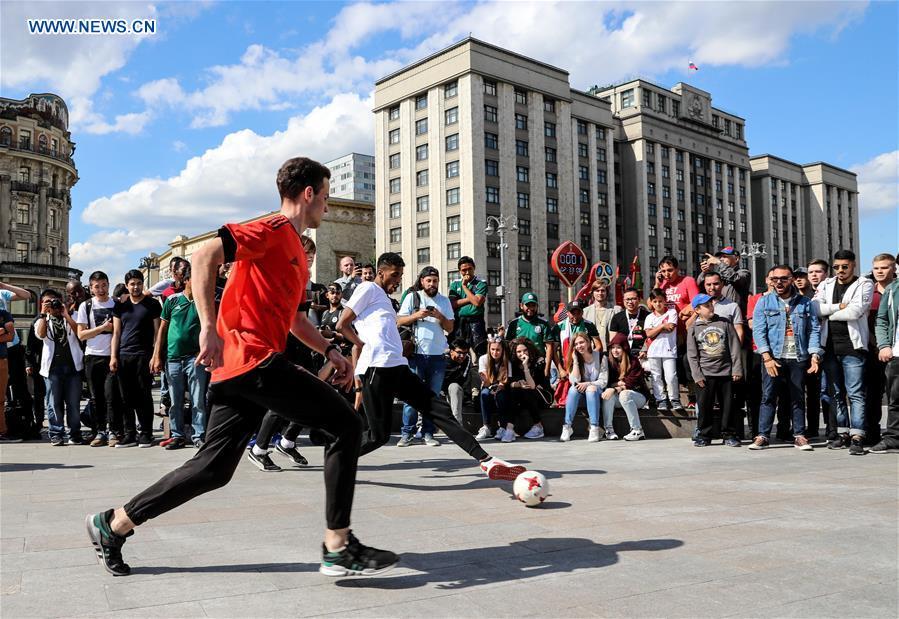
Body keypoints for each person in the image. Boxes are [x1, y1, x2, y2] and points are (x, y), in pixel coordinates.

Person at [86, 157, 399, 578]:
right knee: (345, 424)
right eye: (324, 197)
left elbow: (293, 319)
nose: (326, 206)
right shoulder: (272, 229)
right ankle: (338, 544)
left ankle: (114, 523)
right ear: (308, 194)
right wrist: (209, 328)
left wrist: (330, 350)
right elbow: (202, 257)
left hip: (243, 367)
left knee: (212, 469)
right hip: (251, 360)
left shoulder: (294, 252)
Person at [336, 252, 525, 482]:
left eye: (401, 276)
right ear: (380, 272)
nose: (398, 280)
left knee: (439, 409)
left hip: (397, 366)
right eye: (395, 275)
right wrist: (362, 345)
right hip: (375, 368)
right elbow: (342, 323)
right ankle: (338, 457)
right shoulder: (367, 289)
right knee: (379, 436)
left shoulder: (385, 298)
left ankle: (485, 459)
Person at [750, 265, 821, 452]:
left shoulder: (806, 303)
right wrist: (766, 357)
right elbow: (758, 331)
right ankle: (763, 435)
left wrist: (814, 355)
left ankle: (799, 435)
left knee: (797, 397)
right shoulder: (764, 302)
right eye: (775, 279)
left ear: (791, 280)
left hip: (798, 357)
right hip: (773, 357)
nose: (778, 283)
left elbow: (813, 329)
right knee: (768, 397)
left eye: (783, 279)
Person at [814, 249, 873, 455]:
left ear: (853, 265)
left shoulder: (864, 283)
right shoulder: (825, 284)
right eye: (837, 267)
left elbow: (856, 311)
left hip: (852, 346)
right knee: (836, 393)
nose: (840, 270)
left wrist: (828, 311)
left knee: (855, 393)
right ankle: (843, 432)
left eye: (844, 266)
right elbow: (815, 309)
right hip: (829, 347)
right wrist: (839, 307)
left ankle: (858, 435)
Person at [396, 266, 455, 447]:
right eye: (428, 280)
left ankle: (428, 433)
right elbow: (398, 320)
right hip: (416, 354)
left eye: (435, 281)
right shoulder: (413, 297)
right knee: (411, 396)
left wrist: (439, 316)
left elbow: (450, 328)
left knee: (433, 397)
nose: (432, 284)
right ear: (422, 281)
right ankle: (407, 433)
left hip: (437, 356)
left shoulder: (444, 301)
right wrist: (417, 315)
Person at [151, 266, 208, 450]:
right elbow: (162, 329)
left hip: (195, 357)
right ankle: (177, 435)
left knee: (198, 399)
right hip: (173, 358)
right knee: (175, 400)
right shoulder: (172, 301)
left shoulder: (203, 302)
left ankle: (199, 435)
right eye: (195, 278)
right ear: (186, 280)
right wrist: (157, 355)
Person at [110, 270, 161, 448]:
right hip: (124, 355)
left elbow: (157, 333)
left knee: (144, 395)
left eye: (138, 283)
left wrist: (156, 356)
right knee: (125, 397)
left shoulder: (152, 304)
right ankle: (129, 433)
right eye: (132, 283)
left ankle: (146, 433)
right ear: (127, 286)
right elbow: (116, 333)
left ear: (142, 284)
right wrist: (113, 356)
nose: (136, 287)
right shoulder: (120, 306)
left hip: (144, 355)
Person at [687, 294, 743, 447]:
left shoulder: (724, 323)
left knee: (728, 406)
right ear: (697, 310)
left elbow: (735, 348)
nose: (711, 307)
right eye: (706, 306)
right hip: (705, 374)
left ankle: (729, 434)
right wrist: (697, 375)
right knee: (705, 406)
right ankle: (704, 434)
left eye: (711, 304)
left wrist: (736, 369)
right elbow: (692, 354)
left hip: (725, 372)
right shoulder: (694, 328)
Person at [76, 271, 120, 447]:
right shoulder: (85, 306)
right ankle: (99, 431)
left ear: (108, 285)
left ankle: (113, 431)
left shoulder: (116, 304)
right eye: (96, 286)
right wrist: (102, 328)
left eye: (103, 285)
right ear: (91, 288)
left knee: (112, 396)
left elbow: (120, 330)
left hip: (112, 356)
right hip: (92, 356)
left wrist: (110, 330)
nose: (101, 290)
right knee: (96, 398)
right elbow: (81, 334)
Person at [36, 290, 84, 446]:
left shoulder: (73, 316)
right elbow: (41, 334)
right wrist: (44, 314)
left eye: (55, 301)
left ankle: (75, 433)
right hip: (52, 369)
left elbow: (79, 333)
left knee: (73, 403)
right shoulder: (42, 320)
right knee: (53, 403)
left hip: (72, 367)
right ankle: (56, 433)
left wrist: (66, 314)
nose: (53, 305)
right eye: (48, 302)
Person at [865, 253, 897, 444]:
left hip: (895, 350)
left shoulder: (896, 290)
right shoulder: (868, 292)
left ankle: (894, 433)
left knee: (894, 395)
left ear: (893, 268)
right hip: (871, 350)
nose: (879, 271)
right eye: (876, 268)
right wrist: (876, 344)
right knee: (872, 394)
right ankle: (872, 433)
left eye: (884, 267)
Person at [870, 270, 899, 453]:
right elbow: (881, 319)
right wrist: (884, 345)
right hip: (896, 352)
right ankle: (893, 439)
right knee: (895, 399)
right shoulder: (892, 289)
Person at [562, 332, 608, 442]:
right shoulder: (574, 358)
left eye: (581, 342)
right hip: (581, 395)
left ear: (588, 342)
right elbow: (574, 381)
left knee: (591, 389)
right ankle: (567, 426)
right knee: (573, 389)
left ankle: (594, 427)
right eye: (576, 344)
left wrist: (588, 384)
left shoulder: (601, 356)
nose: (579, 346)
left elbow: (603, 381)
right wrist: (576, 361)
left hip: (597, 393)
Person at [0, 281, 34, 432]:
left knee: (19, 386)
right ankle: (5, 425)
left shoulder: (2, 293)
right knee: (3, 391)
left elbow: (26, 295)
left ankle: (25, 424)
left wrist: (3, 285)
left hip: (12, 346)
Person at [601, 333, 647, 441]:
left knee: (624, 394)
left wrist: (616, 387)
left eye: (618, 348)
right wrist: (617, 384)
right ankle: (609, 430)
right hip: (620, 398)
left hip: (638, 397)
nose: (615, 351)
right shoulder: (609, 361)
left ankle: (637, 430)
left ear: (624, 348)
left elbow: (631, 383)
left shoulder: (633, 361)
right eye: (613, 348)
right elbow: (608, 382)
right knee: (609, 395)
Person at [506, 337, 551, 441]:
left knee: (526, 389)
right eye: (519, 351)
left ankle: (538, 426)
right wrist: (517, 384)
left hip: (541, 396)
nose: (523, 354)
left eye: (525, 350)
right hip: (520, 397)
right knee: (516, 391)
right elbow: (509, 383)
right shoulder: (513, 364)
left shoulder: (539, 361)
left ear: (529, 349)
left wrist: (526, 367)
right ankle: (509, 428)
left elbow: (532, 385)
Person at [642, 288, 680, 411]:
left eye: (660, 301)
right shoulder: (649, 317)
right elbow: (648, 334)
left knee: (671, 376)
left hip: (669, 350)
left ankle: (674, 399)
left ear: (665, 301)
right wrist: (663, 325)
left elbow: (671, 328)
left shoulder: (672, 313)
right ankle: (661, 399)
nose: (658, 304)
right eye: (655, 301)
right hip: (653, 350)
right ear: (651, 303)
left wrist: (656, 329)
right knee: (656, 376)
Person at [505, 292, 558, 379]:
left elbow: (549, 347)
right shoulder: (514, 324)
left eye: (533, 305)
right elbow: (508, 346)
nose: (530, 308)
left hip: (538, 364)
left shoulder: (543, 323)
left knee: (542, 391)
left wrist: (547, 369)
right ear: (521, 306)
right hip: (519, 365)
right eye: (527, 305)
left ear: (537, 306)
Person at [448, 256, 488, 358]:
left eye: (469, 269)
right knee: (457, 350)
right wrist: (471, 298)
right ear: (459, 271)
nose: (467, 272)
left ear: (474, 268)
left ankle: (480, 372)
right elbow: (452, 304)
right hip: (459, 321)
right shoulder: (455, 284)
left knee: (480, 349)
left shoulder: (481, 283)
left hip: (476, 321)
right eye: (464, 270)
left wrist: (465, 287)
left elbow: (477, 302)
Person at [476, 337, 512, 440]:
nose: (495, 352)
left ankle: (502, 427)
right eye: (492, 349)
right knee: (484, 394)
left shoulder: (507, 362)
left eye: (498, 350)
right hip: (488, 384)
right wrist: (486, 380)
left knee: (501, 396)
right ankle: (486, 426)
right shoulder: (483, 359)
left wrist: (498, 388)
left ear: (502, 350)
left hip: (502, 386)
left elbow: (504, 382)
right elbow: (486, 381)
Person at [698, 246, 751, 310]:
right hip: (718, 311)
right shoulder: (719, 274)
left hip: (735, 314)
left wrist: (719, 263)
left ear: (736, 258)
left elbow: (735, 278)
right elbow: (700, 287)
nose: (721, 259)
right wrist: (705, 272)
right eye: (720, 257)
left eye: (725, 256)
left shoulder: (744, 273)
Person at [608, 287, 649, 361]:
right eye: (627, 299)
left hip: (643, 355)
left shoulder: (648, 316)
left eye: (633, 299)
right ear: (623, 301)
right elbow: (613, 340)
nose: (630, 302)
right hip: (623, 356)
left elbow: (652, 336)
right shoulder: (617, 317)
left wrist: (645, 349)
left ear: (639, 300)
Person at [442, 339, 476, 425]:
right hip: (439, 390)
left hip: (454, 391)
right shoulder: (441, 358)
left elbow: (464, 380)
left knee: (454, 387)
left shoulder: (467, 359)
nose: (462, 356)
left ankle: (457, 426)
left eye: (465, 353)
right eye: (459, 352)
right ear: (451, 351)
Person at [582, 282, 621, 352]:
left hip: (611, 351)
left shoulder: (616, 310)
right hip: (592, 351)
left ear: (607, 292)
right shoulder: (585, 312)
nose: (600, 293)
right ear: (592, 293)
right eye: (597, 291)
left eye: (603, 290)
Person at [0, 307, 18, 441]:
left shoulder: (3, 313)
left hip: (1, 361)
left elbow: (10, 336)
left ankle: (2, 431)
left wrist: (5, 331)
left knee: (0, 399)